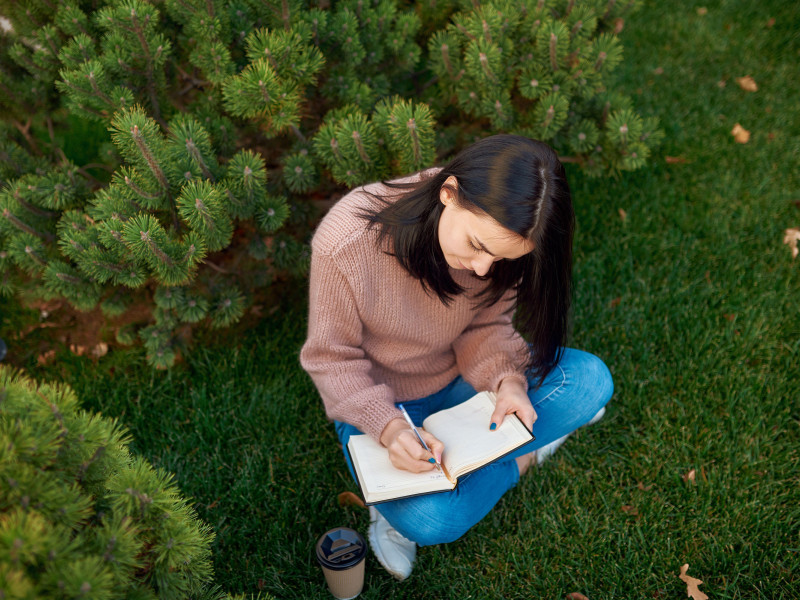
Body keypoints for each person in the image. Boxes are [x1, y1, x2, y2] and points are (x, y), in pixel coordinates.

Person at [300, 134, 613, 581]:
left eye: (501, 258)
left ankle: (506, 454)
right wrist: (390, 430)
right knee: (433, 522)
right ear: (449, 194)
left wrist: (508, 382)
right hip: (383, 403)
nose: (483, 269)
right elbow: (332, 359)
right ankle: (522, 456)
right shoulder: (349, 239)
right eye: (479, 247)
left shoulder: (504, 244)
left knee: (591, 382)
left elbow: (485, 327)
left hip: (460, 382)